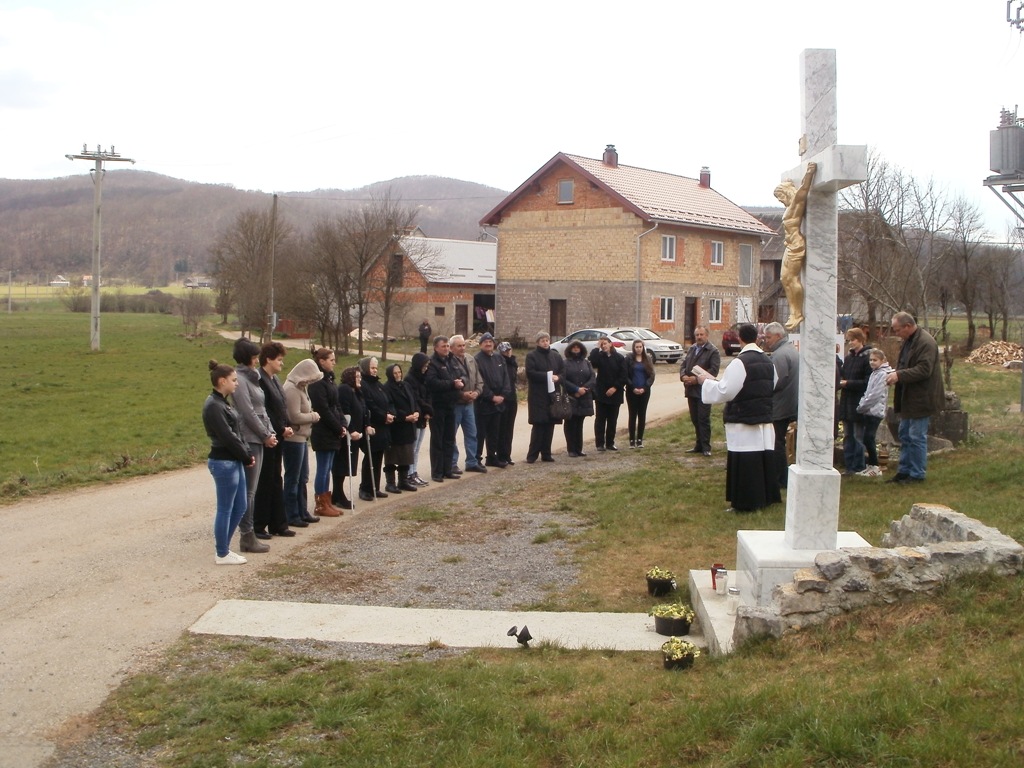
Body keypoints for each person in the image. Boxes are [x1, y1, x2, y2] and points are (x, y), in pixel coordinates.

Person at [694, 323, 781, 512]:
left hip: (744, 419)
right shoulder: (768, 361)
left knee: (746, 462)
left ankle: (745, 503)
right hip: (763, 417)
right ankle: (764, 499)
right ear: (757, 339)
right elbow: (772, 384)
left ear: (740, 339)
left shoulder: (740, 362)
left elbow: (726, 391)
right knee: (761, 460)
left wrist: (706, 382)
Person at [203, 361, 255, 565]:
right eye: (234, 380)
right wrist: (245, 455)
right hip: (223, 462)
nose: (237, 384)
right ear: (222, 381)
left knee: (240, 505)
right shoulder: (213, 406)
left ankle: (224, 547)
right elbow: (227, 436)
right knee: (225, 507)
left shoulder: (223, 402)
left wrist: (246, 452)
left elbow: (238, 432)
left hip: (234, 460)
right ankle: (222, 552)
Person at [886, 311, 945, 484]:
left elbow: (924, 370)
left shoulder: (925, 342)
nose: (896, 333)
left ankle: (917, 474)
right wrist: (894, 373)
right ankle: (904, 471)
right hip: (908, 397)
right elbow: (905, 364)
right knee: (904, 434)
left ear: (908, 326)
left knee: (916, 436)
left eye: (897, 330)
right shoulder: (908, 341)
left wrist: (899, 376)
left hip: (922, 397)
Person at [230, 338, 276, 554]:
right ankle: (247, 535)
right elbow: (247, 412)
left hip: (260, 436)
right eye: (255, 356)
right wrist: (265, 435)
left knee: (252, 490)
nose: (258, 359)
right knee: (249, 491)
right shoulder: (239, 379)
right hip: (250, 438)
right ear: (247, 357)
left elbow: (261, 409)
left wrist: (270, 432)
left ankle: (249, 534)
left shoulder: (252, 377)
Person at [253, 342, 296, 538]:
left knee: (276, 478)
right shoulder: (260, 379)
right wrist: (278, 429)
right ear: (268, 359)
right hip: (268, 436)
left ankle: (278, 523)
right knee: (265, 480)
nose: (281, 363)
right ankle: (259, 524)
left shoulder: (275, 379)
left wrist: (286, 427)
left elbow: (281, 406)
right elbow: (265, 410)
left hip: (279, 435)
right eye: (279, 360)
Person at [773, 161, 817, 331]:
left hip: (796, 245)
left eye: (781, 197)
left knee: (791, 278)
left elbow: (803, 190)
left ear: (787, 194)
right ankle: (794, 311)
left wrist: (809, 173)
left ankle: (797, 313)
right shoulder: (788, 208)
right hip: (789, 244)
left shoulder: (795, 206)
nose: (780, 200)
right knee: (784, 278)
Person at [282, 357, 322, 528]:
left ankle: (302, 510)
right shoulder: (291, 389)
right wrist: (313, 416)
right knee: (293, 477)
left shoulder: (301, 388)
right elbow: (294, 416)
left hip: (303, 437)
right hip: (294, 438)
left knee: (303, 477)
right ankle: (292, 514)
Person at [307, 348, 345, 517]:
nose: (334, 362)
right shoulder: (317, 383)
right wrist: (337, 427)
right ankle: (321, 503)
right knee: (323, 467)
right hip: (323, 431)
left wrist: (343, 424)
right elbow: (323, 409)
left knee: (328, 467)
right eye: (331, 360)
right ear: (321, 361)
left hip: (333, 430)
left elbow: (337, 405)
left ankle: (327, 501)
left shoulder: (329, 381)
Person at [764, 322, 799, 488]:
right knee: (779, 442)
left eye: (768, 337)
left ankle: (780, 479)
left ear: (778, 336)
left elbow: (777, 381)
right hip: (789, 403)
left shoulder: (779, 355)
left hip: (780, 405)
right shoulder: (791, 350)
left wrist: (763, 390)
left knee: (776, 443)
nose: (766, 341)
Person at [425, 336, 465, 482]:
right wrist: (451, 384)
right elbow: (432, 382)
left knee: (449, 438)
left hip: (451, 405)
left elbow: (460, 374)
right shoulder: (432, 363)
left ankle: (447, 470)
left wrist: (461, 382)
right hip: (438, 406)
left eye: (448, 346)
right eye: (444, 346)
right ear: (436, 347)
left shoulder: (452, 360)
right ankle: (437, 472)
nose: (447, 348)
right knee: (438, 439)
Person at [679, 326, 720, 456]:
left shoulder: (713, 351)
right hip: (691, 389)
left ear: (707, 335)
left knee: (703, 419)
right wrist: (683, 376)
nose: (699, 337)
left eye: (701, 334)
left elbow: (713, 371)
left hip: (704, 390)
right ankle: (698, 444)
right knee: (695, 418)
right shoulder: (691, 349)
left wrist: (696, 380)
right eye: (697, 335)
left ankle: (706, 447)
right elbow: (683, 365)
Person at [525, 331, 565, 463]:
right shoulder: (532, 356)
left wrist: (557, 377)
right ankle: (532, 454)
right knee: (539, 425)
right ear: (537, 342)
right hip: (538, 395)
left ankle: (546, 453)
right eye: (542, 340)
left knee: (550, 424)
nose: (545, 342)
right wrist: (547, 376)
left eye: (547, 340)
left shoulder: (556, 356)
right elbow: (530, 373)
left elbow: (563, 372)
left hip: (552, 395)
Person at [474, 332, 513, 467]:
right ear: (480, 344)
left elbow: (506, 378)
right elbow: (479, 381)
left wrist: (503, 395)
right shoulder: (477, 359)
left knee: (494, 433)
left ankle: (491, 457)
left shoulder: (499, 358)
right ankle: (476, 459)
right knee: (480, 433)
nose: (488, 344)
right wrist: (491, 397)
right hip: (484, 403)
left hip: (499, 403)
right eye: (485, 342)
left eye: (490, 342)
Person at [358, 356, 395, 499]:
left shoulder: (378, 384)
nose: (374, 370)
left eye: (376, 368)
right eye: (372, 368)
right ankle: (365, 488)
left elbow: (388, 401)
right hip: (373, 425)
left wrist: (390, 414)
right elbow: (369, 405)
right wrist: (383, 416)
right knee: (370, 458)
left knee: (379, 457)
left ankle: (375, 487)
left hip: (383, 427)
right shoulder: (364, 384)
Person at [449, 334, 486, 473]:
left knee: (472, 433)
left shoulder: (471, 359)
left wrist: (476, 392)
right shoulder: (449, 362)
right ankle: (452, 462)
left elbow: (479, 379)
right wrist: (462, 395)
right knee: (452, 434)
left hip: (470, 403)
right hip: (456, 403)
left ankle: (471, 462)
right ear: (452, 348)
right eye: (459, 346)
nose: (462, 348)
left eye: (463, 345)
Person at [837, 327, 872, 475]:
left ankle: (859, 465)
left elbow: (867, 382)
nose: (851, 343)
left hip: (859, 402)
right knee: (847, 436)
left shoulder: (867, 358)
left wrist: (848, 383)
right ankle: (849, 465)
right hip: (846, 402)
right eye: (849, 340)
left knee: (858, 437)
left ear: (861, 339)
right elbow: (843, 375)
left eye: (853, 340)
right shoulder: (849, 358)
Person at [855, 348, 893, 478]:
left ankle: (876, 466)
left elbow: (875, 394)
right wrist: (863, 403)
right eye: (870, 360)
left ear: (882, 360)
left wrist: (863, 406)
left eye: (875, 360)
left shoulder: (882, 374)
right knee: (867, 438)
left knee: (869, 438)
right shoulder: (874, 373)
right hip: (869, 410)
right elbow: (868, 391)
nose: (872, 362)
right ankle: (871, 465)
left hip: (875, 411)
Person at [383, 363, 420, 493]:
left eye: (399, 372)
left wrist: (416, 412)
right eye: (395, 373)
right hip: (396, 427)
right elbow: (390, 407)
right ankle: (390, 483)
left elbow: (414, 401)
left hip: (409, 427)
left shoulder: (406, 385)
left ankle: (403, 481)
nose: (398, 375)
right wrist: (404, 417)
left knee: (406, 455)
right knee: (392, 456)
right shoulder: (387, 388)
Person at [589, 336, 627, 451]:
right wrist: (596, 347)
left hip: (615, 392)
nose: (604, 346)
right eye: (602, 344)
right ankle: (600, 444)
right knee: (600, 419)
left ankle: (610, 443)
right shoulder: (600, 357)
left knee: (612, 419)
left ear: (611, 344)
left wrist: (615, 387)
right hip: (601, 393)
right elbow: (592, 361)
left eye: (605, 343)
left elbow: (624, 375)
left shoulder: (619, 358)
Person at [560, 340, 595, 457]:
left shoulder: (586, 363)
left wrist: (584, 389)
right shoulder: (565, 363)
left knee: (580, 423)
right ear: (570, 349)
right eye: (573, 347)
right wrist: (575, 389)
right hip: (571, 397)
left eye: (578, 347)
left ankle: (579, 448)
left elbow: (592, 378)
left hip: (584, 397)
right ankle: (571, 449)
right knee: (570, 423)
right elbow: (563, 379)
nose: (576, 349)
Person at [336, 366, 367, 501]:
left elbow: (363, 410)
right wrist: (351, 429)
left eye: (360, 377)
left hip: (357, 433)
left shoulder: (357, 391)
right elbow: (345, 411)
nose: (360, 379)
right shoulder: (345, 389)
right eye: (357, 377)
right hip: (347, 434)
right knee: (342, 465)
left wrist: (366, 425)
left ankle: (337, 494)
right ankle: (338, 494)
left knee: (348, 465)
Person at [405, 352, 433, 486]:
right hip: (416, 416)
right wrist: (426, 410)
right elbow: (415, 398)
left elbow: (428, 394)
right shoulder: (410, 379)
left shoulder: (425, 378)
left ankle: (414, 471)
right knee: (413, 447)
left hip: (424, 416)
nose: (426, 368)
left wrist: (428, 410)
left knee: (418, 448)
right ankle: (409, 473)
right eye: (424, 365)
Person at [624, 339, 655, 448]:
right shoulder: (629, 359)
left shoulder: (648, 359)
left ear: (643, 347)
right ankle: (632, 440)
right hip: (631, 391)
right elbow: (626, 375)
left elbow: (652, 375)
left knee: (642, 415)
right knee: (632, 415)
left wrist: (645, 387)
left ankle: (640, 440)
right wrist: (632, 387)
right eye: (636, 347)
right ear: (633, 348)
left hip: (644, 391)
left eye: (640, 347)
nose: (638, 349)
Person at [496, 341, 519, 466]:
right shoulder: (500, 363)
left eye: (509, 350)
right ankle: (500, 455)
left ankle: (507, 455)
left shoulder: (513, 363)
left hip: (512, 399)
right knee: (502, 429)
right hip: (503, 399)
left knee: (509, 429)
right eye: (505, 351)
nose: (507, 352)